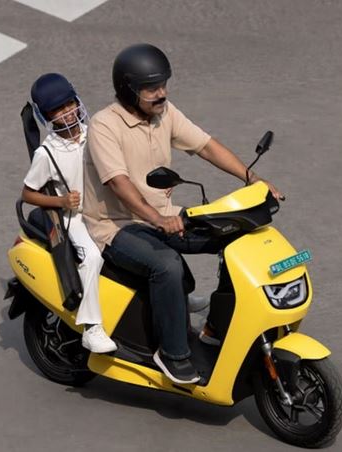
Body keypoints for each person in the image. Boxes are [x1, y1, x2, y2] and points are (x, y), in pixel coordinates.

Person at [83, 44, 283, 384]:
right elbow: (118, 183)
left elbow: (206, 146)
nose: (161, 93)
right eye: (151, 88)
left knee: (235, 232)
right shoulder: (105, 125)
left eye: (163, 84)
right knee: (167, 266)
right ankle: (172, 355)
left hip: (164, 215)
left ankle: (216, 329)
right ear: (128, 90)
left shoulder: (164, 113)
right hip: (116, 227)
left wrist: (253, 178)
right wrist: (158, 219)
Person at [22, 73, 117, 354]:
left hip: (106, 208)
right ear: (46, 116)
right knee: (92, 257)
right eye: (58, 109)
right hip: (74, 218)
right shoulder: (47, 153)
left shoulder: (95, 132)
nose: (67, 112)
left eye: (69, 104)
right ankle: (92, 328)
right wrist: (62, 201)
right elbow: (27, 194)